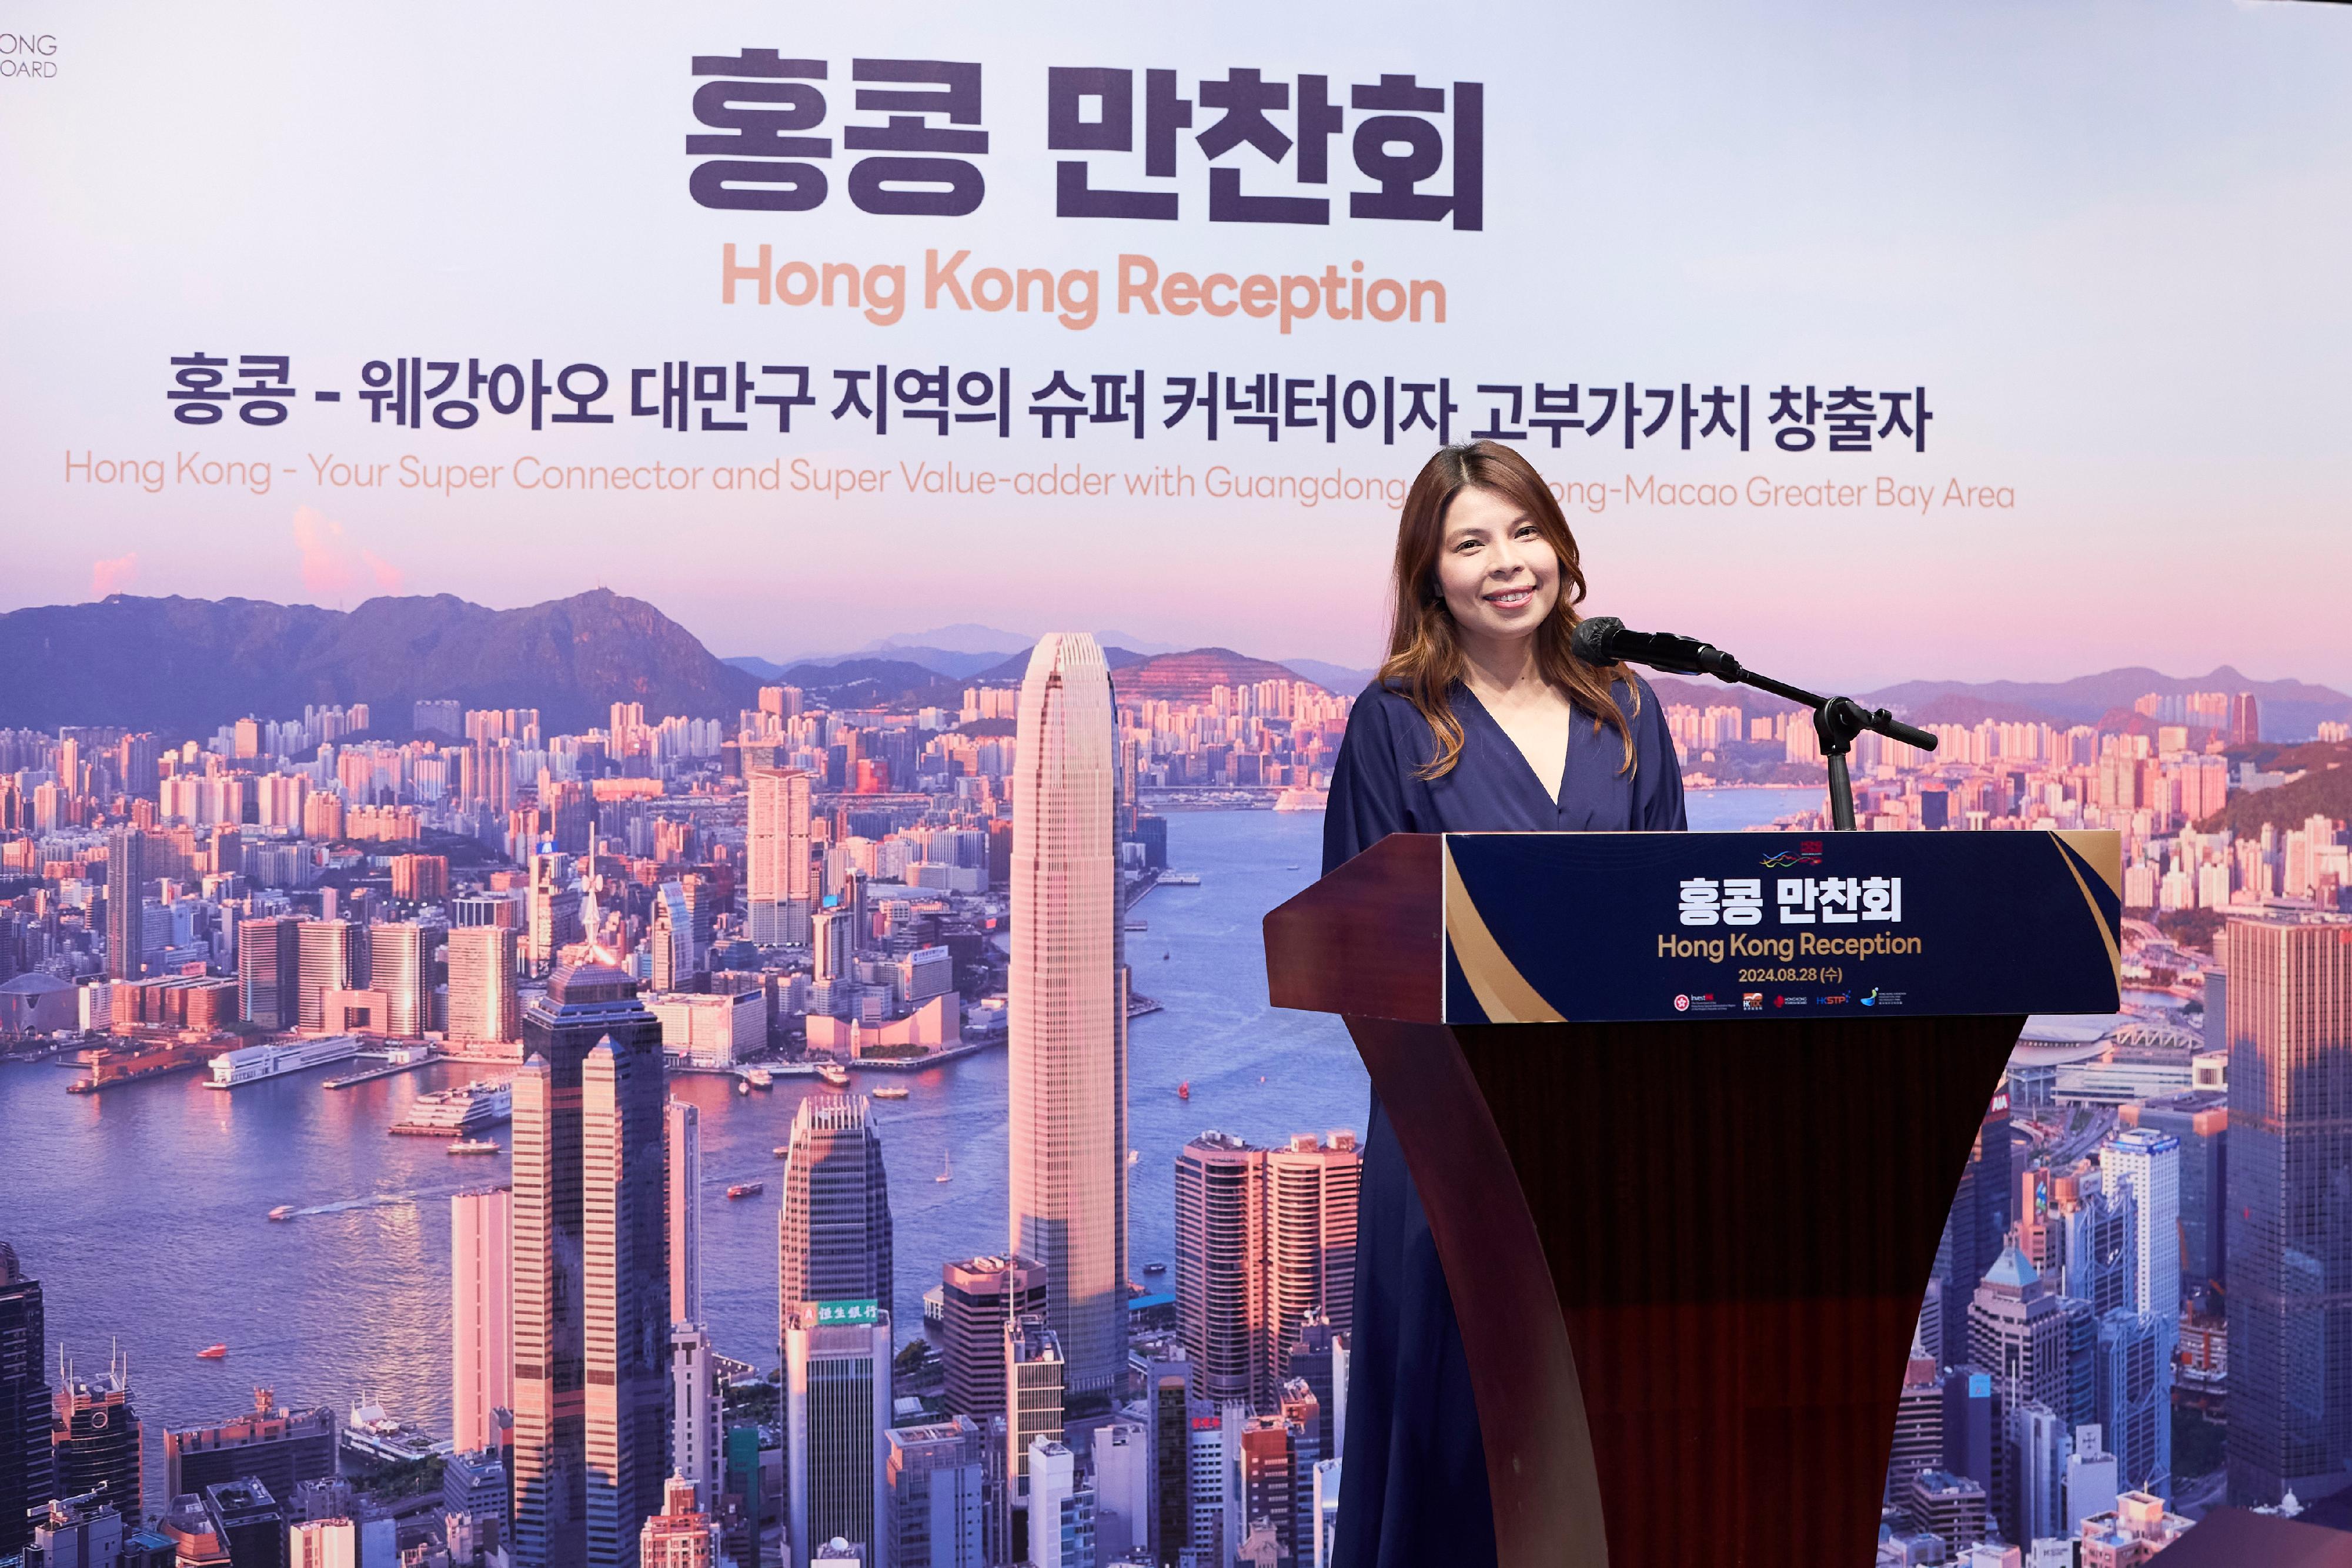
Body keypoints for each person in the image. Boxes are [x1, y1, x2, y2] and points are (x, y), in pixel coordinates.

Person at [1325, 441, 1686, 1568]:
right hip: (1453, 1147)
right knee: (1450, 1458)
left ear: (1562, 550)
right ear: (1430, 573)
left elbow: (1672, 915)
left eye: (1525, 532)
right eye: (1471, 543)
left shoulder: (1628, 707)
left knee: (1594, 1457)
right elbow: (1356, 949)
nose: (1507, 564)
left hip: (1603, 1142)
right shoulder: (1394, 720)